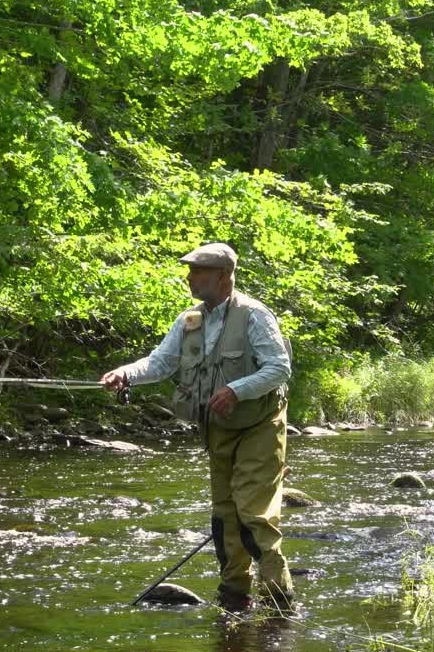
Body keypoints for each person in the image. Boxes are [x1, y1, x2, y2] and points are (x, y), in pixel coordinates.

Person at [102, 242, 294, 610]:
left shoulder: (255, 315)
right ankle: (235, 597)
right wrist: (125, 374)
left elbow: (278, 369)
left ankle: (279, 602)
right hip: (217, 427)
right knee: (224, 516)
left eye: (198, 273)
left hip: (260, 426)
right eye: (190, 272)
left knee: (253, 515)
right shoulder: (189, 319)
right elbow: (160, 363)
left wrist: (237, 390)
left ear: (223, 277)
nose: (190, 279)